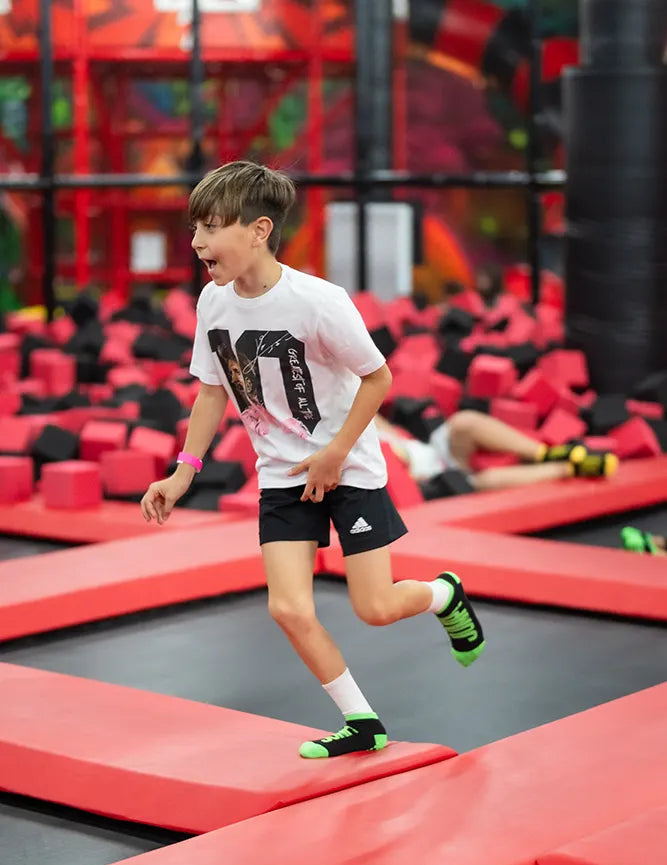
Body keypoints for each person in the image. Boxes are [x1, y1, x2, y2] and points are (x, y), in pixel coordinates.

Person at [139, 160, 485, 759]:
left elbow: (377, 379)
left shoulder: (319, 302)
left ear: (259, 230)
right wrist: (182, 471)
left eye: (212, 228)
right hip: (279, 473)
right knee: (288, 607)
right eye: (194, 228)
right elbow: (213, 391)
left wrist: (335, 452)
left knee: (375, 608)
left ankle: (443, 596)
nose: (197, 242)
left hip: (347, 467)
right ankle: (362, 720)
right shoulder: (212, 302)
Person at [375, 411, 618, 492]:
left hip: (430, 451)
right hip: (433, 482)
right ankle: (567, 468)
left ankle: (546, 453)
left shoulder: (358, 413)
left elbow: (393, 431)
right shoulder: (341, 448)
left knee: (464, 422)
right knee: (484, 482)